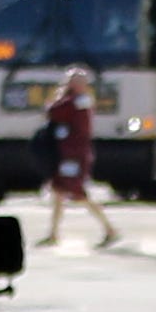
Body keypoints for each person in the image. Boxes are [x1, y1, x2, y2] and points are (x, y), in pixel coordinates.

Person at [38, 69, 112, 249]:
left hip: (74, 155)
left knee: (77, 192)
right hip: (67, 153)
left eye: (74, 81)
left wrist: (58, 97)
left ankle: (110, 229)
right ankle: (53, 233)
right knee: (58, 192)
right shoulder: (75, 100)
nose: (70, 84)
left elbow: (54, 111)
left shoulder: (78, 102)